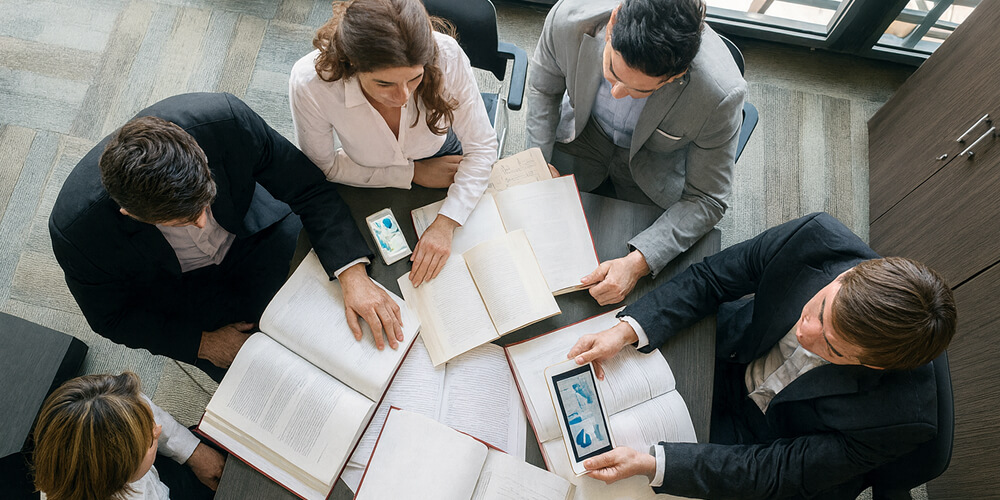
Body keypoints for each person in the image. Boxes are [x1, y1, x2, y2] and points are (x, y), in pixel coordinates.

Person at [566, 212, 956, 499]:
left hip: (761, 445)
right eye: (820, 309)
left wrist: (658, 466)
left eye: (832, 348)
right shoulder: (816, 240)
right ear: (844, 277)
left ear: (873, 364)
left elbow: (778, 471)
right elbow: (713, 278)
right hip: (732, 350)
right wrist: (626, 329)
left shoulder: (901, 420)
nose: (806, 334)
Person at [49, 93, 405, 382]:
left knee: (356, 321)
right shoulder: (77, 233)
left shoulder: (225, 121)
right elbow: (111, 317)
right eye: (183, 219)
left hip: (259, 233)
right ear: (132, 214)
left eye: (204, 204)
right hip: (185, 294)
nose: (202, 224)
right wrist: (202, 344)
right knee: (270, 384)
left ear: (201, 156)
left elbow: (307, 187)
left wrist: (351, 273)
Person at [525, 0, 746, 306]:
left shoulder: (720, 94)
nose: (616, 93)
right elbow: (544, 90)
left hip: (653, 175)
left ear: (675, 75)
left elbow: (708, 198)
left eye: (637, 91)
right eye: (612, 72)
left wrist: (637, 263)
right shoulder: (568, 18)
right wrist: (537, 161)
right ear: (613, 22)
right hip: (580, 138)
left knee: (627, 296)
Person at [289, 0, 499, 288]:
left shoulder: (446, 55)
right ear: (351, 64)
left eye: (414, 78)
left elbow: (482, 147)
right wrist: (412, 173)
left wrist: (446, 222)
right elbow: (324, 167)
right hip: (364, 178)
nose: (402, 97)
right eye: (384, 84)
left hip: (443, 154)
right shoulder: (311, 83)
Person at [32, 372, 225, 500]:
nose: (157, 429)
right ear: (121, 473)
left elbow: (141, 406)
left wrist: (192, 452)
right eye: (149, 441)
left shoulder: (109, 400)